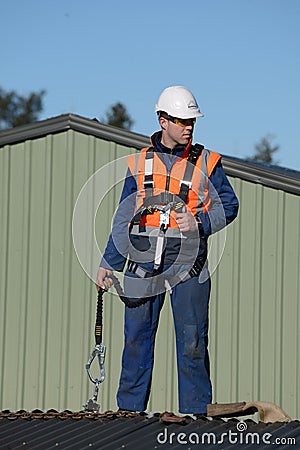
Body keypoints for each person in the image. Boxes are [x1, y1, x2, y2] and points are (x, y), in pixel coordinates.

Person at [96, 86, 239, 416]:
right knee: (135, 338)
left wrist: (200, 223)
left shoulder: (208, 162)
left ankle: (196, 413)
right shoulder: (140, 163)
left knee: (192, 341)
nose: (189, 126)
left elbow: (229, 206)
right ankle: (129, 413)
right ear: (163, 120)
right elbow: (124, 216)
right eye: (181, 120)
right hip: (142, 259)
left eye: (192, 121)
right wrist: (109, 262)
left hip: (189, 263)